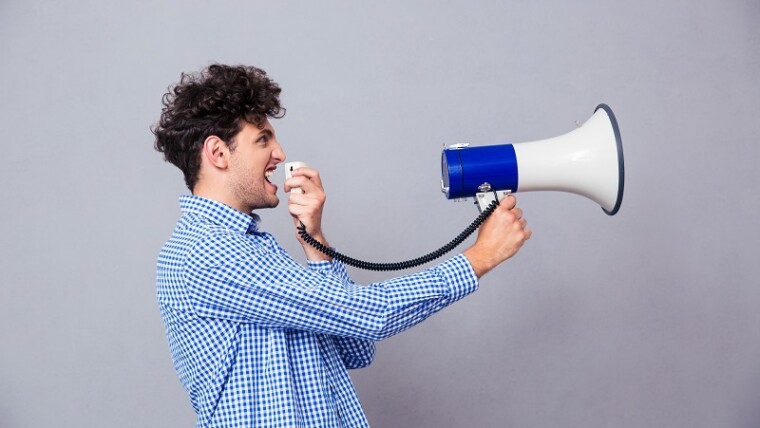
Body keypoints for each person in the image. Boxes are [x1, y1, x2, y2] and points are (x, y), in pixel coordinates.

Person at [152, 63, 531, 428]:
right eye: (263, 139)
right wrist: (480, 257)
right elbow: (371, 315)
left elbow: (355, 346)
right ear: (218, 153)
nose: (280, 153)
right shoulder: (207, 252)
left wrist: (315, 240)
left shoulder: (251, 247)